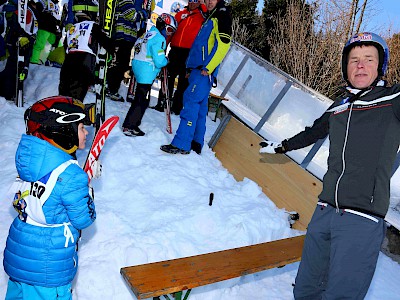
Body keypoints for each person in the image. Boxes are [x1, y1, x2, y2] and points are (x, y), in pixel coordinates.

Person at [259, 32, 400, 300]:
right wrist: (283, 145)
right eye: (354, 59)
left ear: (381, 66)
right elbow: (314, 132)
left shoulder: (392, 100)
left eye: (369, 59)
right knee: (305, 290)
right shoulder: (340, 105)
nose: (360, 65)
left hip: (362, 218)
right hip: (325, 211)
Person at [3, 96, 96, 299]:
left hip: (20, 256)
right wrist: (87, 191)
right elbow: (84, 219)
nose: (86, 132)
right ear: (63, 131)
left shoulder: (31, 159)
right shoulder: (72, 176)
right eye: (81, 127)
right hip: (48, 266)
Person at [160, 0, 232, 155]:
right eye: (206, 0)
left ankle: (181, 143)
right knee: (200, 107)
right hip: (196, 69)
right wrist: (189, 66)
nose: (209, 2)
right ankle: (196, 143)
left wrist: (209, 67)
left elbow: (224, 44)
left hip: (203, 71)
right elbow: (199, 46)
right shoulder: (211, 16)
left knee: (190, 104)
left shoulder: (222, 15)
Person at [122, 13, 176, 137]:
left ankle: (133, 124)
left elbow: (137, 47)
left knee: (142, 99)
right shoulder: (159, 38)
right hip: (146, 70)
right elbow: (159, 60)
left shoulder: (148, 33)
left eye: (171, 31)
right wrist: (166, 60)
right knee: (141, 99)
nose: (169, 34)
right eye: (169, 30)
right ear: (163, 26)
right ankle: (130, 125)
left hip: (139, 66)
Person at [152, 0, 206, 115]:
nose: (192, 3)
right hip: (175, 50)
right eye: (191, 0)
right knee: (168, 77)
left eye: (196, 1)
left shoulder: (202, 16)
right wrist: (164, 47)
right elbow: (170, 31)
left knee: (183, 81)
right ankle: (162, 102)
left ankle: (177, 107)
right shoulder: (180, 14)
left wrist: (202, 6)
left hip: (189, 53)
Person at [58, 0, 114, 101]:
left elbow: (66, 46)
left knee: (64, 96)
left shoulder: (72, 28)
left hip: (67, 65)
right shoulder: (93, 26)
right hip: (84, 64)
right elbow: (106, 42)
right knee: (76, 98)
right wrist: (111, 53)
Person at [105, 0, 149, 102]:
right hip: (122, 37)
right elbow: (133, 16)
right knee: (118, 64)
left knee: (121, 65)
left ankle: (111, 88)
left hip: (127, 38)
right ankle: (110, 89)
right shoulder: (126, 0)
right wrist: (144, 13)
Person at [0, 0, 39, 100]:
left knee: (13, 69)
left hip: (19, 45)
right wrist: (21, 35)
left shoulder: (30, 12)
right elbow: (14, 23)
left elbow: (31, 34)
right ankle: (6, 94)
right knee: (11, 69)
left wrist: (25, 68)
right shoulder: (23, 10)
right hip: (14, 44)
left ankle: (7, 94)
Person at [30, 0, 62, 65]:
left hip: (53, 29)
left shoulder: (57, 5)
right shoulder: (46, 1)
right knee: (39, 45)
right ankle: (33, 62)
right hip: (44, 26)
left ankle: (56, 61)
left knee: (58, 45)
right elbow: (38, 7)